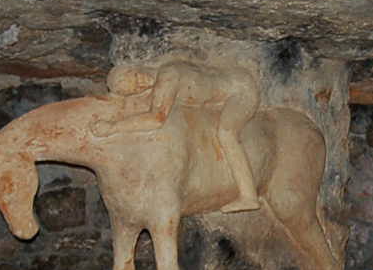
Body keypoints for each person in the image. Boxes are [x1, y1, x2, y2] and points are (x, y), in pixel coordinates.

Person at [98, 57, 262, 212]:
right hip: (229, 87)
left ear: (135, 68)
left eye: (135, 77)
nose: (140, 84)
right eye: (134, 89)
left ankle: (249, 196)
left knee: (226, 133)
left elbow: (156, 119)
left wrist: (112, 127)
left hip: (241, 90)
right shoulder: (163, 76)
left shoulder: (167, 77)